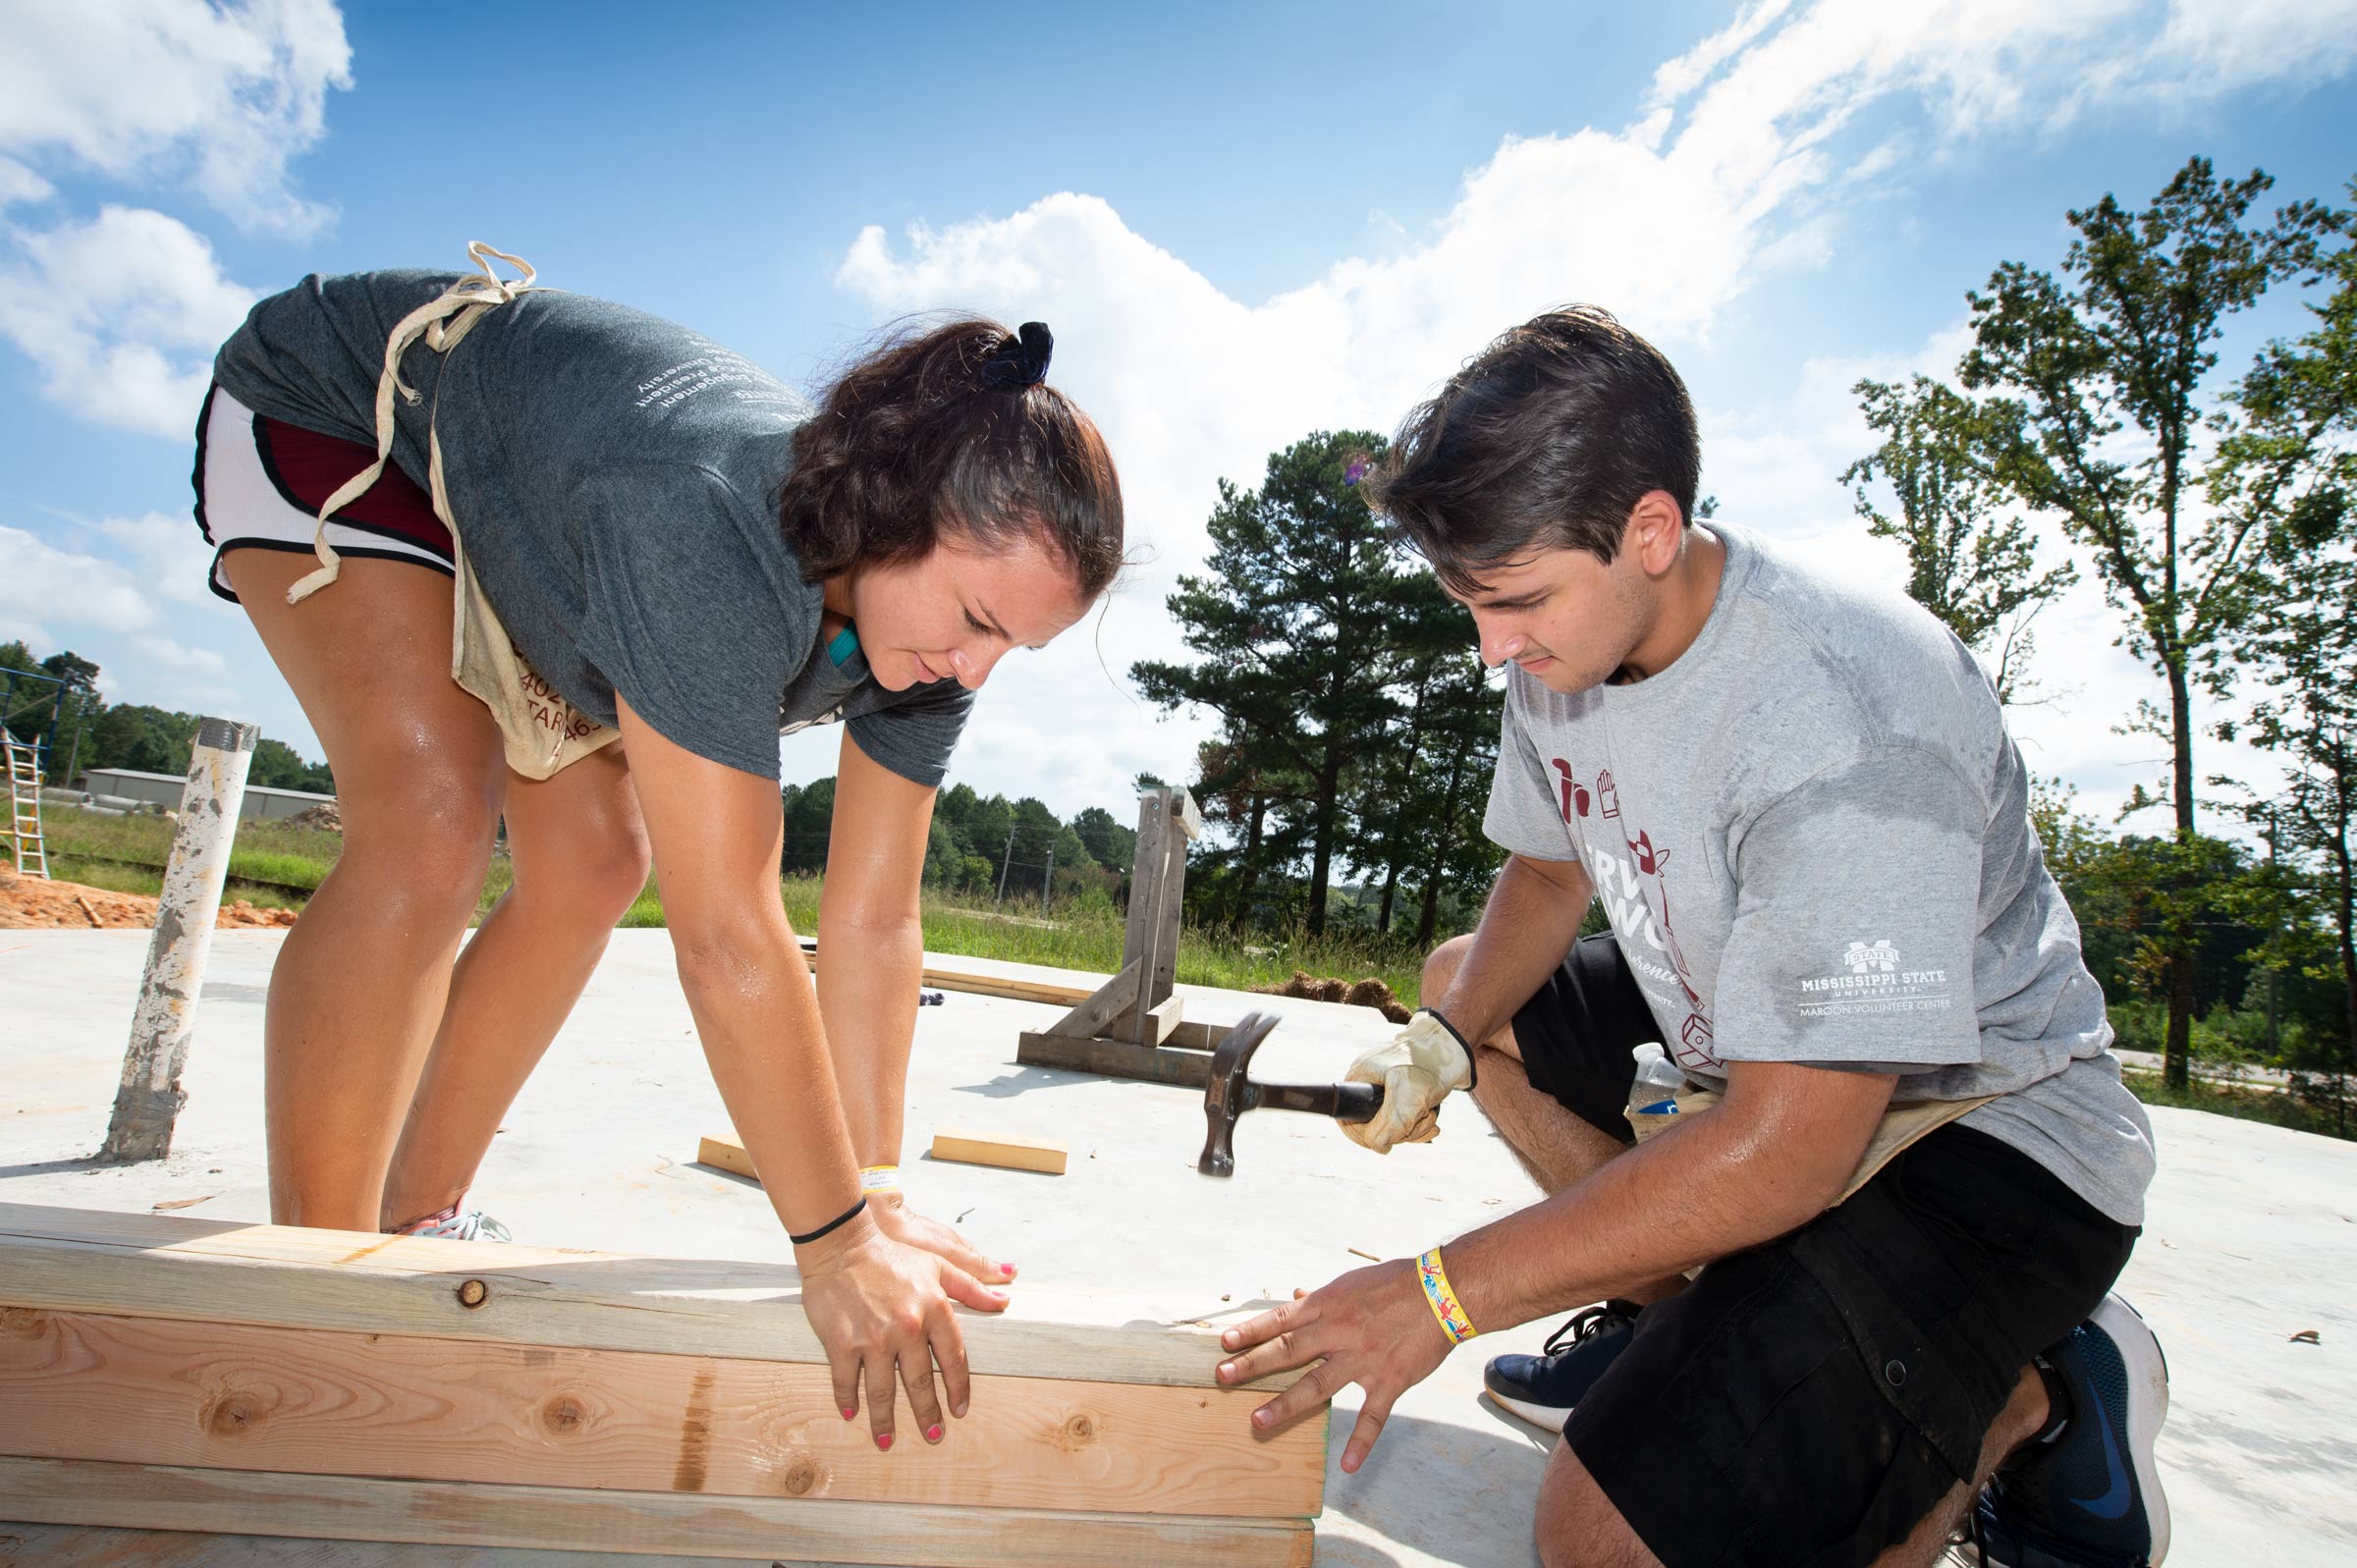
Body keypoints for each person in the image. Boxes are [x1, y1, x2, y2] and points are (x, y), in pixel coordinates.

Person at [1214, 306, 2167, 1567]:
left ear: (1651, 531)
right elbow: (1550, 875)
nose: (1493, 645)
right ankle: (1688, 1322)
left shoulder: (1844, 704)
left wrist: (1441, 1290)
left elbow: (1782, 1154)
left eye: (1515, 601)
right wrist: (1443, 1045)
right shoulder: (1558, 649)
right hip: (1761, 1056)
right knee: (1463, 986)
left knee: (1609, 1540)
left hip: (1988, 1132)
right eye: (1468, 601)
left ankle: (2034, 1396)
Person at [196, 246, 1123, 1453]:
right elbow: (728, 931)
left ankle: (415, 1217)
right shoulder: (706, 524)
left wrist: (877, 1195)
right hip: (347, 420)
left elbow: (876, 920)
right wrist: (830, 1239)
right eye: (979, 622)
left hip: (536, 523)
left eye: (1017, 649)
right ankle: (314, 1295)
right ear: (894, 514)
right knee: (431, 823)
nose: (978, 670)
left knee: (591, 863)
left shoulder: (923, 641)